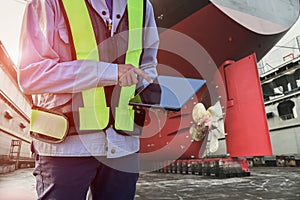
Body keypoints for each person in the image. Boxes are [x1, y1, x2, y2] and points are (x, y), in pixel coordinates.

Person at [17, 0, 159, 199]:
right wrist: (109, 73)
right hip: (65, 149)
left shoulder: (143, 6)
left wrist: (152, 94)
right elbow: (32, 75)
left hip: (122, 148)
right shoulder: (47, 3)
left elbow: (147, 67)